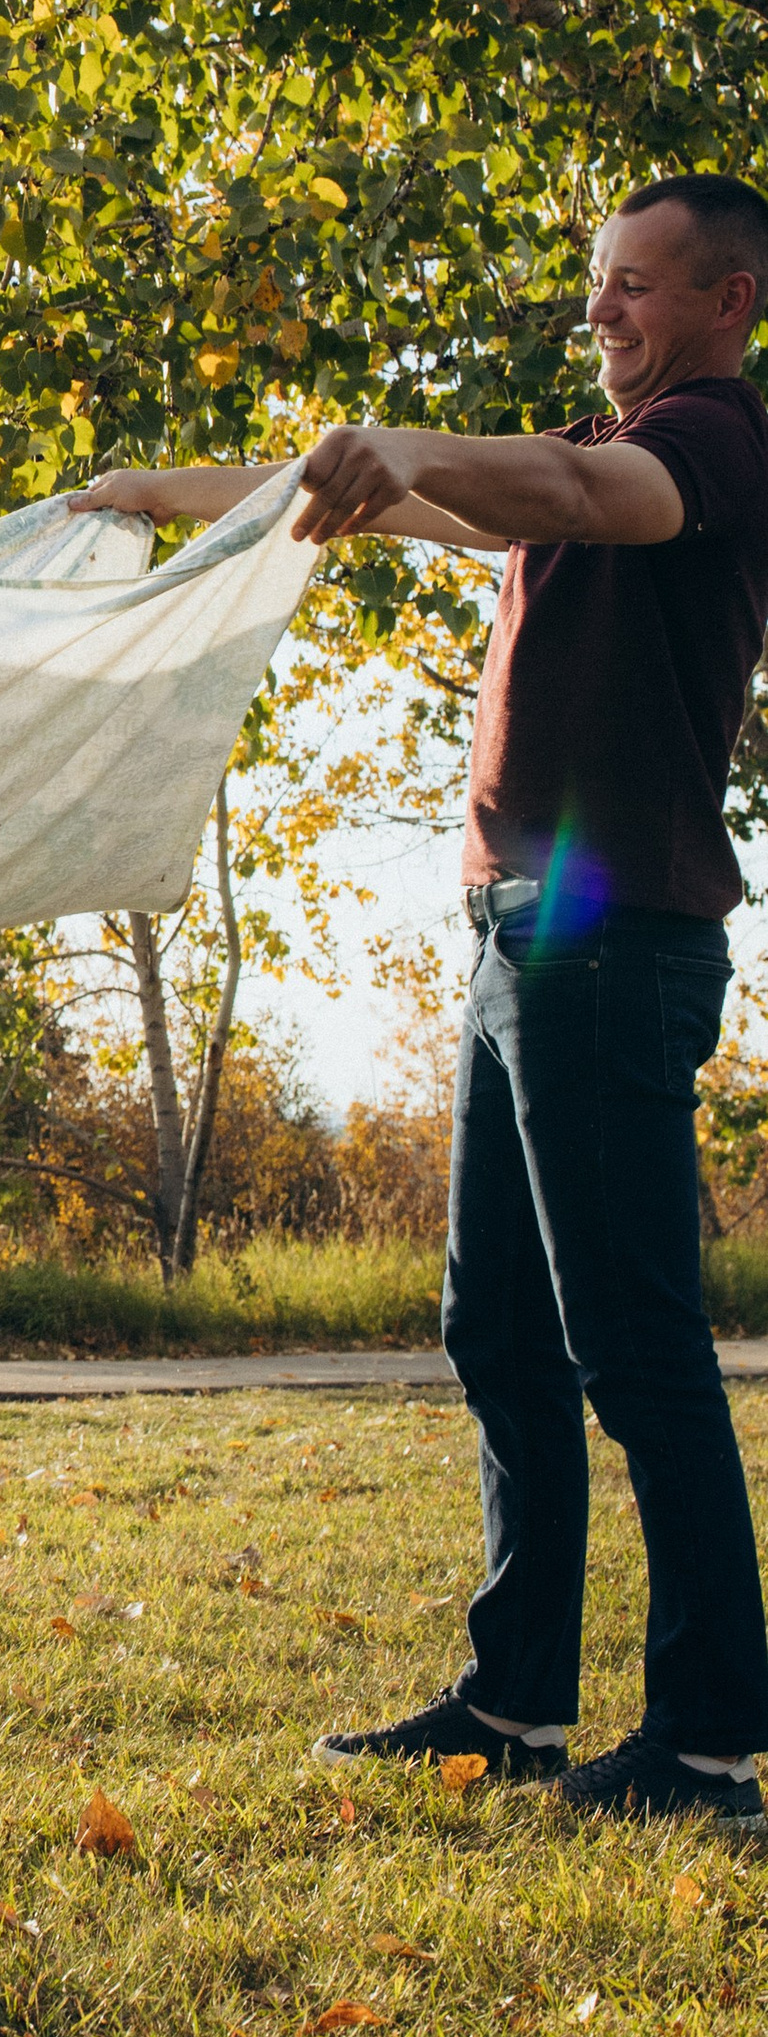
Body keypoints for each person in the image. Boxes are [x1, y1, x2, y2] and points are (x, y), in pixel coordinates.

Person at [72, 174, 768, 1828]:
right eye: (595, 283)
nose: (602, 309)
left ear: (732, 300)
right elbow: (375, 502)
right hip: (517, 940)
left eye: (637, 287)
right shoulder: (581, 465)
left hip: (610, 941)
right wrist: (162, 494)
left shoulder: (715, 444)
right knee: (502, 1329)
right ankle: (519, 1701)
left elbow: (577, 493)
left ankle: (712, 1741)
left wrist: (414, 441)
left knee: (635, 1344)